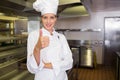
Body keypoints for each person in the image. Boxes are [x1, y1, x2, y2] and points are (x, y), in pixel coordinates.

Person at [26, 0, 73, 80]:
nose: (48, 21)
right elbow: (32, 68)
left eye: (52, 17)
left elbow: (69, 63)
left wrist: (45, 65)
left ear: (56, 19)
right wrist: (37, 48)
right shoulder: (34, 36)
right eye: (45, 17)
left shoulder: (61, 37)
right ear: (41, 19)